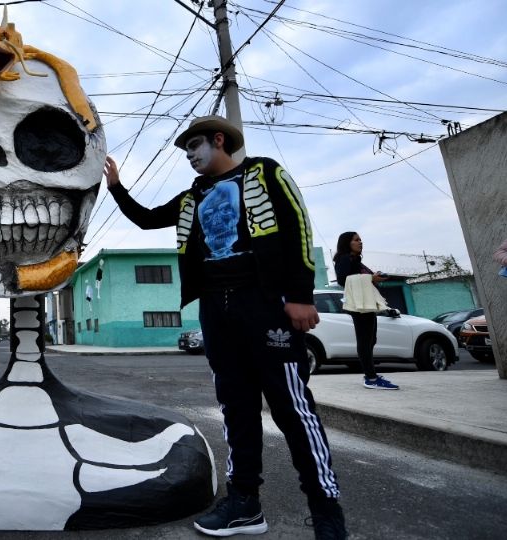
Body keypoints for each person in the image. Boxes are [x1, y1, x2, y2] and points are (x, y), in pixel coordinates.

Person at [104, 115, 345, 539]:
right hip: (217, 309)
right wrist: (117, 188)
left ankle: (326, 511)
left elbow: (297, 228)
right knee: (236, 408)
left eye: (195, 146)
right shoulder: (192, 196)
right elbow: (146, 219)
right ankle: (244, 504)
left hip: (264, 304)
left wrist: (301, 295)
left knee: (292, 408)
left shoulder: (264, 172)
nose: (190, 156)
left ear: (219, 140)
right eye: (185, 151)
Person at [333, 232, 399, 390]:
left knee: (371, 339)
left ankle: (370, 374)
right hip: (359, 305)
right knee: (364, 341)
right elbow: (343, 279)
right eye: (356, 240)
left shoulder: (356, 260)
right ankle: (371, 378)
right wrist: (370, 278)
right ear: (347, 243)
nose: (360, 242)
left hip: (366, 303)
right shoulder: (344, 258)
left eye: (360, 239)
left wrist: (374, 277)